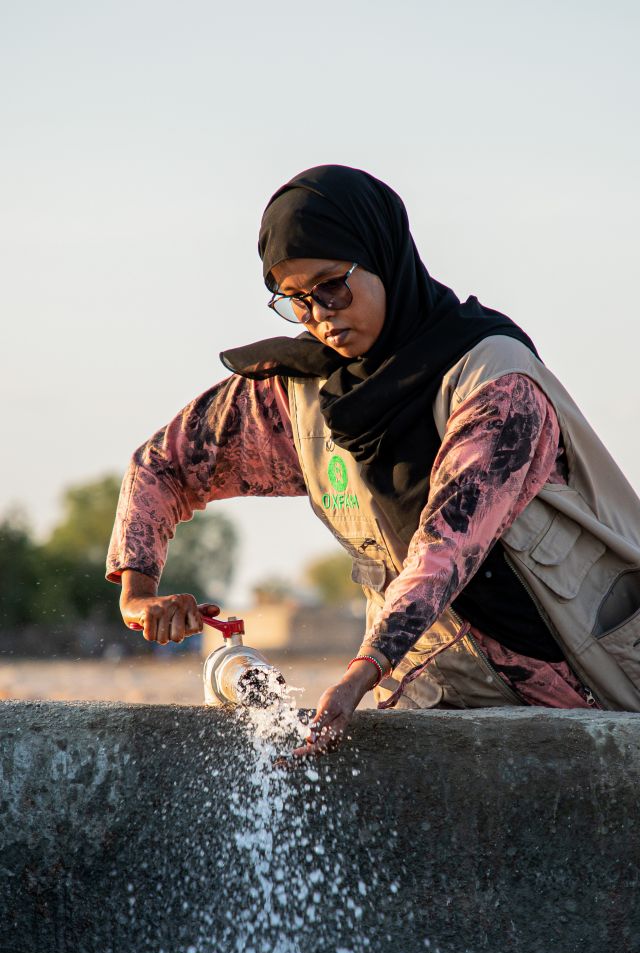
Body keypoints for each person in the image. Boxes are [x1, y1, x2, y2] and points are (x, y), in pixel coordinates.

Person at [107, 164, 640, 753]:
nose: (320, 314)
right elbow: (163, 465)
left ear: (383, 257)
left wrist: (360, 673)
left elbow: (448, 546)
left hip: (594, 685)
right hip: (440, 691)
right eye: (296, 301)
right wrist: (138, 592)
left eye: (333, 286)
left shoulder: (496, 380)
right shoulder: (304, 393)